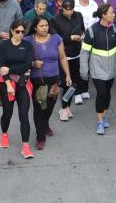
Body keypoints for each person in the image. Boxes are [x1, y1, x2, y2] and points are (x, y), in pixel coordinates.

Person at [80, 4, 116, 135]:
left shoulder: (115, 29)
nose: (114, 15)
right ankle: (100, 121)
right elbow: (85, 52)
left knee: (107, 92)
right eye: (111, 13)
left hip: (112, 68)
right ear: (103, 15)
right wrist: (84, 70)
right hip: (97, 68)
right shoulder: (92, 31)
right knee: (101, 93)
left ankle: (104, 114)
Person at [28, 16, 72, 151]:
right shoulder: (28, 41)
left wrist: (67, 75)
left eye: (46, 25)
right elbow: (23, 60)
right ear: (35, 27)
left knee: (50, 106)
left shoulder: (56, 38)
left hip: (54, 79)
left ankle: (45, 124)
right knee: (39, 108)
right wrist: (33, 63)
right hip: (37, 80)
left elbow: (63, 57)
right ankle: (40, 137)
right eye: (41, 26)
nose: (45, 28)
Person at [0, 19, 35, 159]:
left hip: (23, 82)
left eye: (23, 32)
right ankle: (4, 134)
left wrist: (11, 69)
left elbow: (27, 65)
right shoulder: (4, 45)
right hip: (6, 83)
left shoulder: (28, 45)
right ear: (12, 31)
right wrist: (7, 84)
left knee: (24, 115)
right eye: (17, 31)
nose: (20, 34)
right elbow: (1, 67)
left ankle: (26, 146)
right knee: (7, 112)